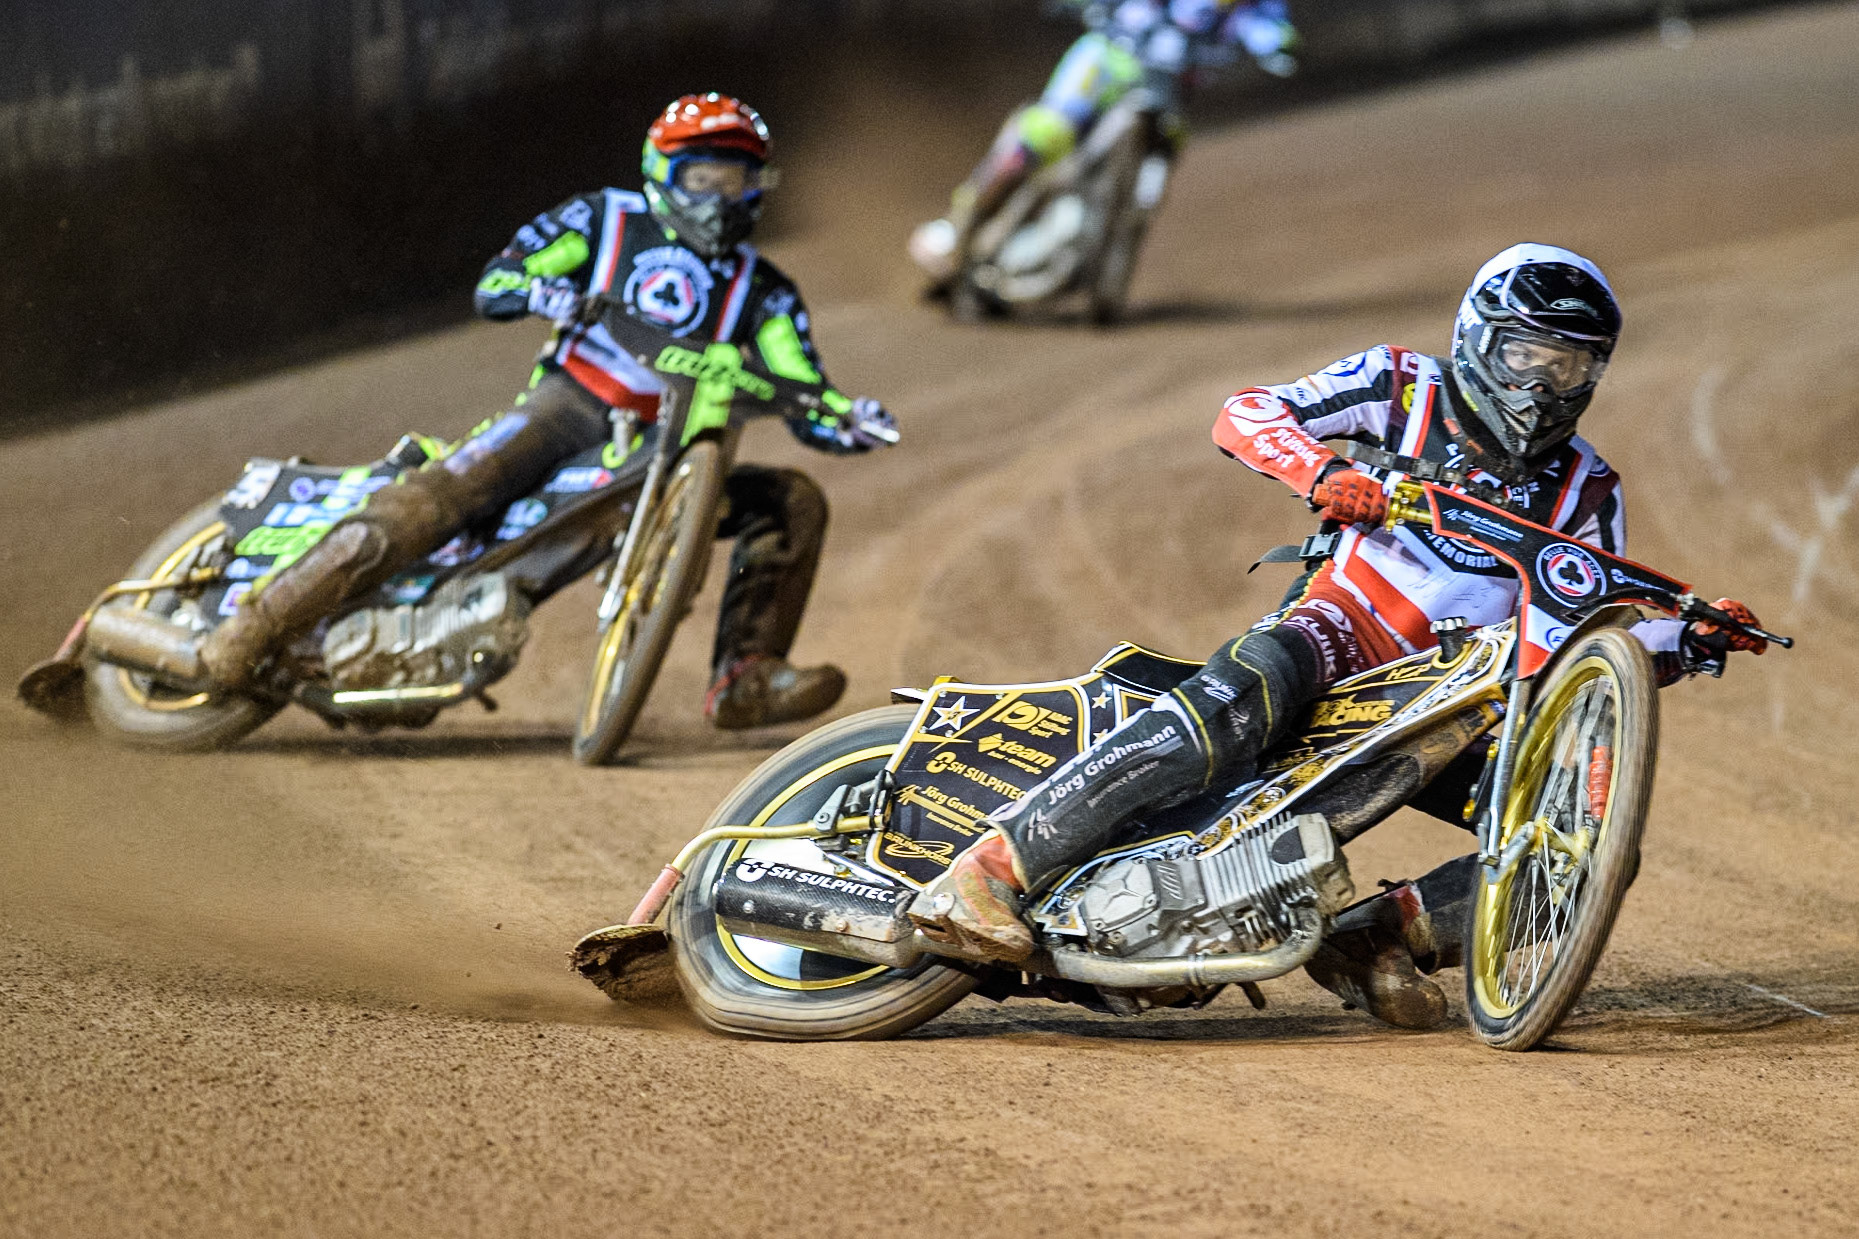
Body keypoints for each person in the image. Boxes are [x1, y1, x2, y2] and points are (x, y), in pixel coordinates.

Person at [908, 243, 1769, 1027]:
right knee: (1249, 689)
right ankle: (990, 869)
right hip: (1339, 633)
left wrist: (1684, 643)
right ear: (1477, 336)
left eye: (1569, 365)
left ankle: (1372, 938)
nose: (1543, 385)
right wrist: (1320, 471)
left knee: (1581, 849)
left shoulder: (1586, 490)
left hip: (1449, 703)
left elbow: (1579, 644)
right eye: (1525, 356)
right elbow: (1244, 414)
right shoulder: (1402, 386)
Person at [200, 93, 897, 729]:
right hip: (572, 404)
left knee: (792, 499)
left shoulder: (765, 291)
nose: (720, 198)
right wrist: (546, 293)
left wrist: (844, 417)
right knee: (447, 494)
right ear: (664, 172)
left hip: (680, 444)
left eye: (738, 180)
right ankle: (254, 626)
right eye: (703, 179)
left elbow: (801, 382)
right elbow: (501, 279)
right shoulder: (605, 220)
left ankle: (745, 677)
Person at [909, 0, 1299, 284]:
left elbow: (1270, 30)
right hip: (1107, 62)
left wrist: (1281, 44)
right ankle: (954, 229)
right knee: (1045, 133)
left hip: (1167, 92)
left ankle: (1106, 238)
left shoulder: (1258, 8)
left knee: (1169, 144)